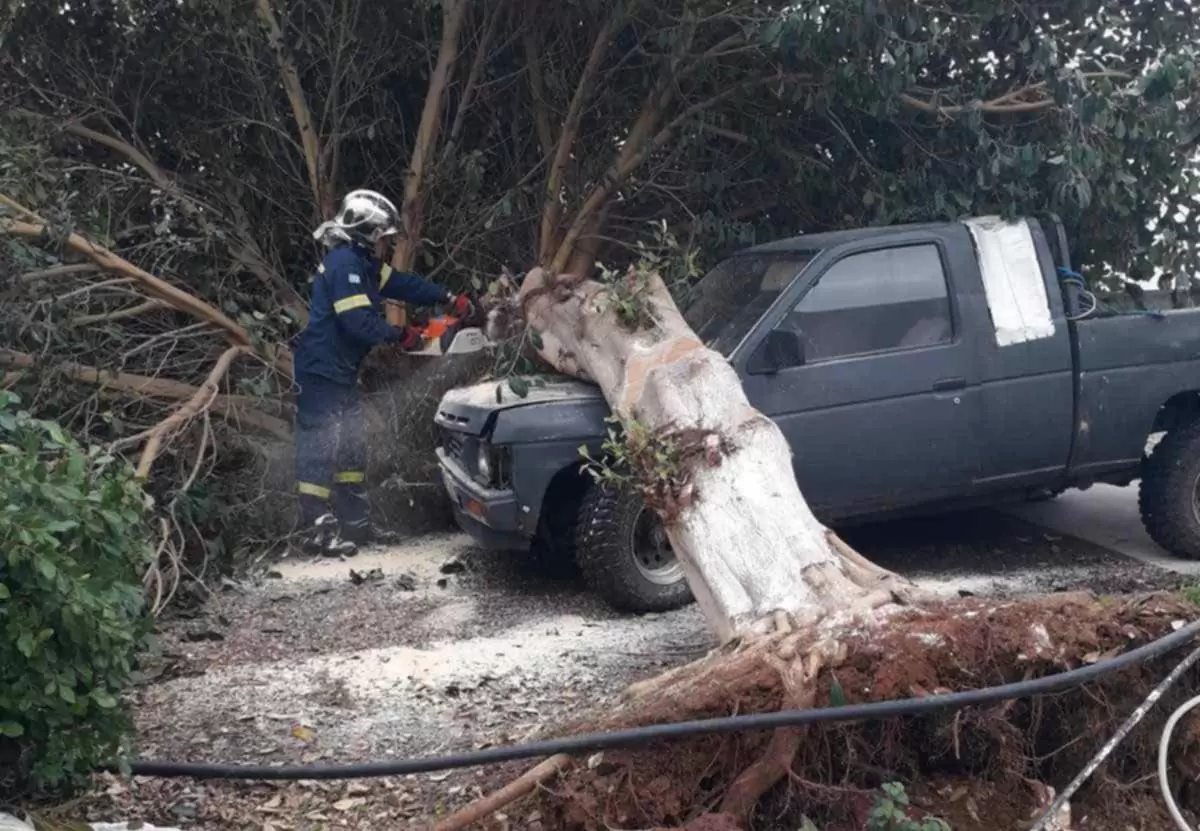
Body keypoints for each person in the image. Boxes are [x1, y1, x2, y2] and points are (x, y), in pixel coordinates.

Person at [292, 189, 472, 557]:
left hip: (341, 370)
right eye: (382, 237)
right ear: (368, 233)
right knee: (320, 447)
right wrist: (400, 335)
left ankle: (355, 526)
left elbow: (403, 284)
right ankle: (316, 530)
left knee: (352, 447)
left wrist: (447, 298)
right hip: (321, 370)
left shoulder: (363, 265)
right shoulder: (344, 265)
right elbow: (357, 321)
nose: (385, 243)